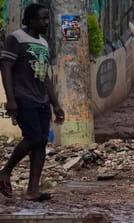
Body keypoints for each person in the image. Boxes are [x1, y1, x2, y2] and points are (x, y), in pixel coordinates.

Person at [0, 3, 65, 202]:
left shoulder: (44, 43)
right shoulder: (16, 39)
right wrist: (10, 99)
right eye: (42, 19)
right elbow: (6, 67)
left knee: (41, 142)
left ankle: (32, 190)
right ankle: (5, 172)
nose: (46, 22)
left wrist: (56, 104)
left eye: (47, 18)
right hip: (23, 97)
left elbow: (44, 76)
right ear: (29, 20)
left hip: (41, 100)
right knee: (33, 137)